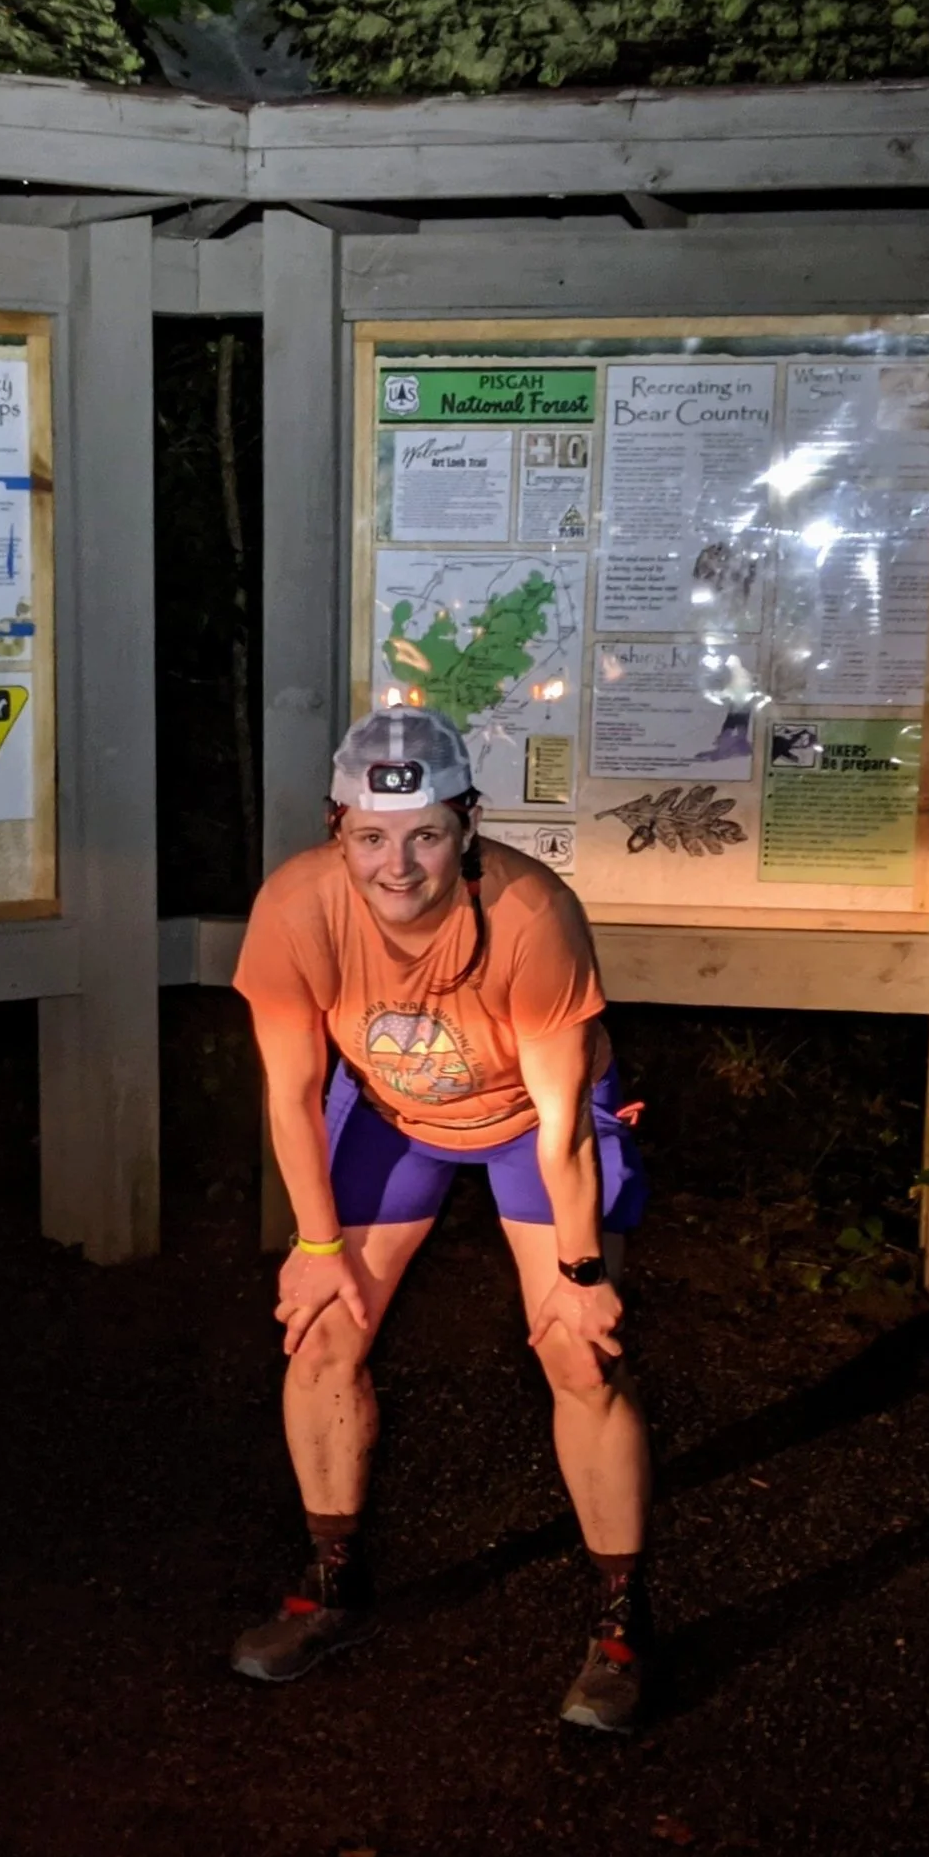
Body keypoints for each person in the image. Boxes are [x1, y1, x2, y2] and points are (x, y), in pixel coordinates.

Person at [228, 706, 656, 1732]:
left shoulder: (531, 915)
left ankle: (621, 1623)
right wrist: (316, 1246)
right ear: (337, 827)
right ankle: (333, 1586)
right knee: (321, 1335)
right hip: (392, 1115)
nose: (398, 863)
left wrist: (582, 1274)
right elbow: (289, 1094)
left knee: (577, 1358)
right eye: (371, 835)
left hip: (529, 1128)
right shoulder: (293, 908)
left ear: (468, 822)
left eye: (424, 832)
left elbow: (562, 1128)